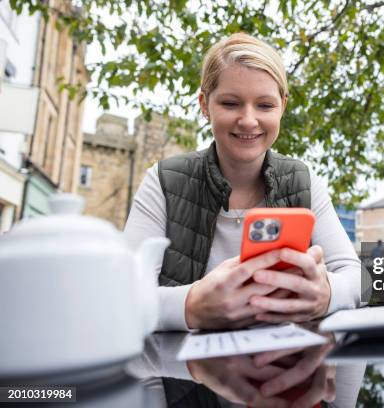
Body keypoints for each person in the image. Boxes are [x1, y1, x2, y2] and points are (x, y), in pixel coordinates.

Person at [124, 33, 361, 331]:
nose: (249, 120)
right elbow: (123, 297)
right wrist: (191, 306)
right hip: (178, 372)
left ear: (282, 107)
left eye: (264, 105)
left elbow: (354, 276)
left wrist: (326, 294)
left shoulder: (303, 180)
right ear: (205, 104)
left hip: (287, 367)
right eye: (231, 103)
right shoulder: (163, 181)